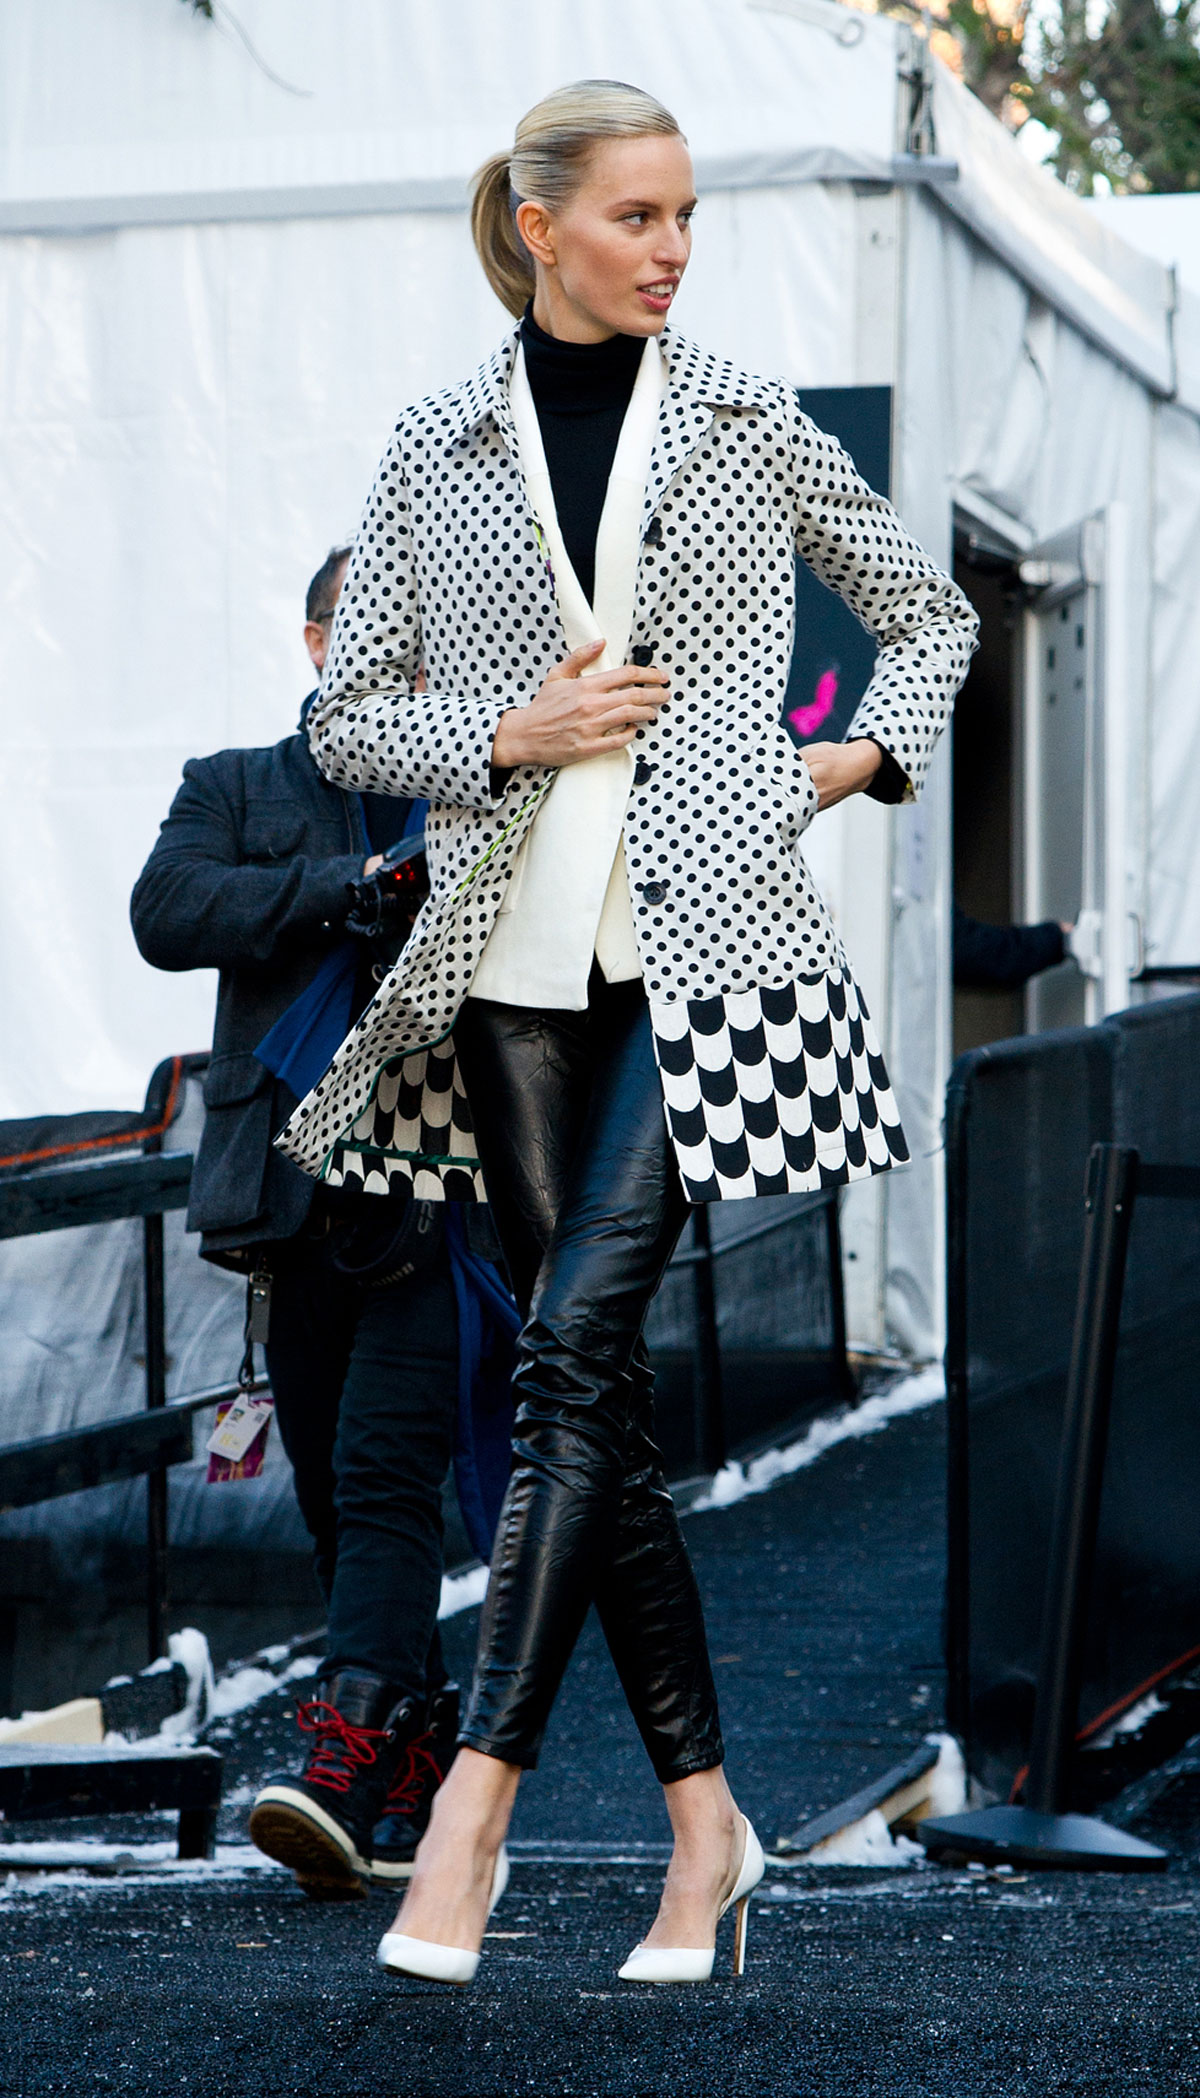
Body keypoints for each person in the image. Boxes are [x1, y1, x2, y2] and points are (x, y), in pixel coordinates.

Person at [276, 79, 979, 1985]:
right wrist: (508, 735)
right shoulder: (436, 443)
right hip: (505, 970)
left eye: (687, 219)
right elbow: (350, 724)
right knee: (594, 1407)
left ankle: (469, 1819)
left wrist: (829, 766)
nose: (674, 250)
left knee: (576, 1350)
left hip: (715, 958)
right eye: (640, 217)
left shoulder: (747, 418)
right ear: (538, 221)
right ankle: (704, 1836)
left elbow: (928, 616)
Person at [130, 548, 516, 1901]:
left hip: (440, 1191)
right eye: (373, 638)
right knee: (335, 1491)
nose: (404, 664)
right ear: (312, 643)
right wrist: (337, 888)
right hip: (295, 1201)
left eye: (423, 641)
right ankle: (414, 1773)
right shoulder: (235, 785)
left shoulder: (479, 781)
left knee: (383, 1469)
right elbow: (165, 912)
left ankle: (349, 1755)